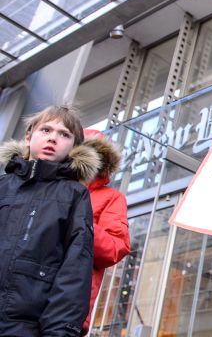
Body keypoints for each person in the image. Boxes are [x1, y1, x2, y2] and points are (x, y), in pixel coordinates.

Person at [0, 105, 97, 336]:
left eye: (64, 134)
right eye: (46, 130)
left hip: (26, 326)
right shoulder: (3, 186)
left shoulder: (74, 194)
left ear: (73, 147)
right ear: (28, 137)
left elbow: (75, 268)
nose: (53, 138)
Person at [81, 129, 131, 335]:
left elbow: (115, 248)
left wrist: (80, 219)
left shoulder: (111, 197)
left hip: (66, 304)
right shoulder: (42, 188)